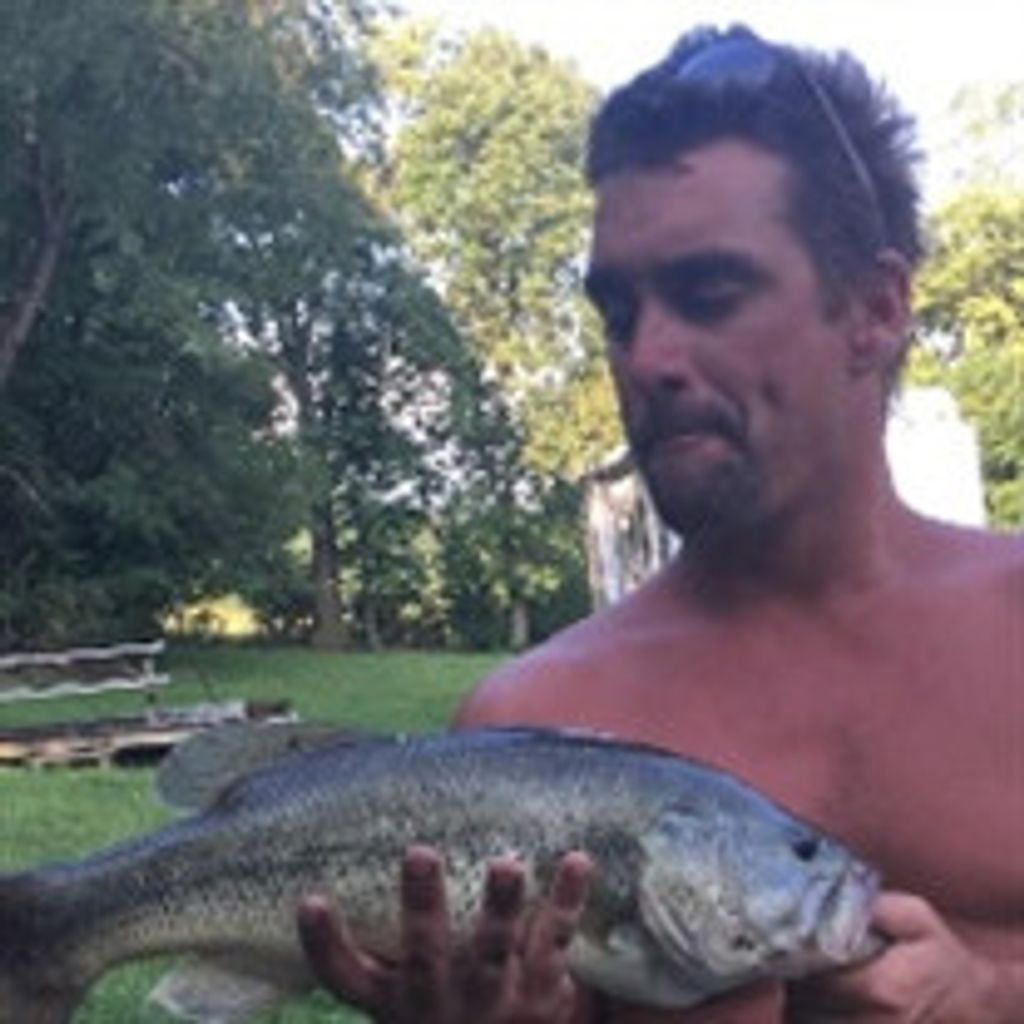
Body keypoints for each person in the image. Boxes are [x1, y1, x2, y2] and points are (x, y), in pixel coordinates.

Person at [296, 23, 1024, 1023]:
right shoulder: (530, 732)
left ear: (875, 309)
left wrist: (989, 993)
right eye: (619, 314)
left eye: (707, 294)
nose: (646, 358)